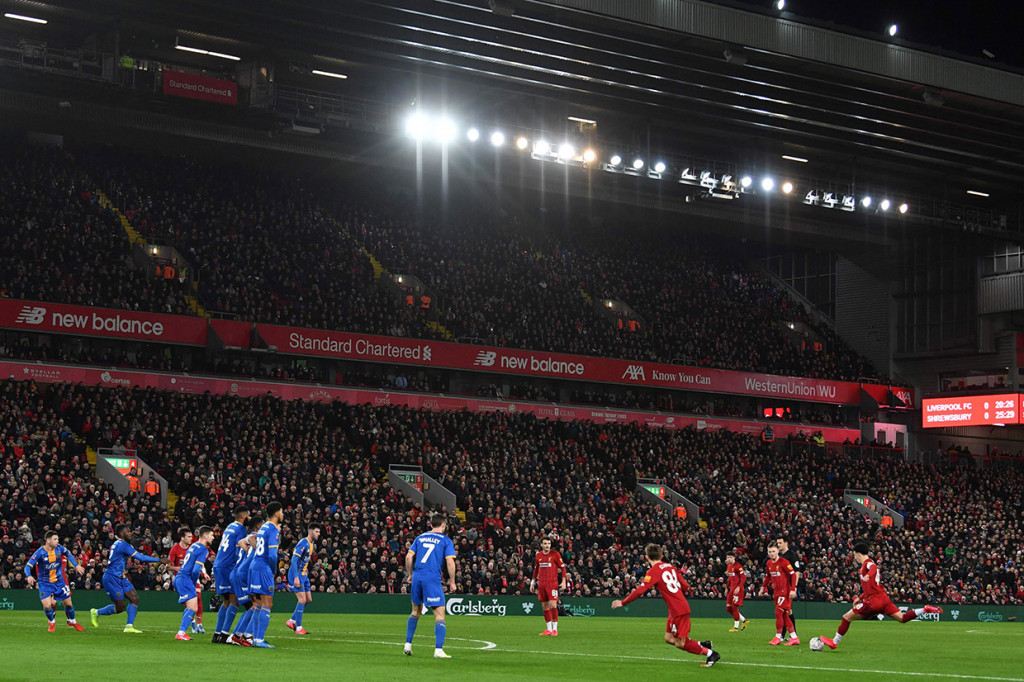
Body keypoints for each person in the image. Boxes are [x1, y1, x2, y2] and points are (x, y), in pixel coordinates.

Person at [612, 543, 720, 668]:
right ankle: (701, 644)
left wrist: (623, 602)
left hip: (678, 610)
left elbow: (641, 590)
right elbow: (685, 586)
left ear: (647, 557)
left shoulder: (653, 571)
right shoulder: (670, 567)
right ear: (661, 555)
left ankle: (711, 654)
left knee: (680, 643)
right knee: (669, 638)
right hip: (676, 609)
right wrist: (679, 597)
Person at [819, 541, 943, 650]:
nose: (854, 557)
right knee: (902, 618)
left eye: (855, 555)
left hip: (873, 602)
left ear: (858, 554)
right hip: (883, 599)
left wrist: (868, 575)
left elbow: (873, 568)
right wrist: (860, 598)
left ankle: (834, 642)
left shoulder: (867, 564)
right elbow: (871, 586)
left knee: (846, 617)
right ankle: (925, 609)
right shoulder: (868, 563)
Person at [91, 524, 163, 633]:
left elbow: (117, 561)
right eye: (128, 532)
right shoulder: (123, 545)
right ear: (121, 534)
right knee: (120, 608)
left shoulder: (120, 544)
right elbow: (141, 557)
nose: (130, 534)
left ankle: (129, 626)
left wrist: (132, 566)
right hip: (111, 578)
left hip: (121, 576)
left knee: (134, 598)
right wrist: (159, 560)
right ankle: (96, 612)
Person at [403, 512, 456, 659]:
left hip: (418, 577)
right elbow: (450, 562)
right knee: (439, 614)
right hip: (431, 578)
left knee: (415, 612)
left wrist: (410, 575)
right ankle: (438, 650)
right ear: (443, 525)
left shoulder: (419, 538)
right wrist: (452, 581)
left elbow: (409, 557)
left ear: (431, 524)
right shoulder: (446, 540)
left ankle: (408, 645)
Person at [25, 530, 86, 632]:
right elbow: (28, 566)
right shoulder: (40, 552)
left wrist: (76, 566)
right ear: (48, 540)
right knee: (48, 606)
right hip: (45, 583)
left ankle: (73, 621)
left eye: (57, 539)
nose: (57, 541)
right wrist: (29, 576)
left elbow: (69, 554)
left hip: (59, 581)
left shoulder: (59, 548)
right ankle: (52, 622)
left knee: (68, 604)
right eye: (55, 539)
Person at [248, 501, 284, 649]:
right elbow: (272, 555)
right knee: (267, 603)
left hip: (254, 565)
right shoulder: (274, 530)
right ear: (276, 513)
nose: (282, 515)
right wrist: (273, 570)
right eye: (281, 512)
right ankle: (259, 639)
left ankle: (256, 638)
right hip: (263, 568)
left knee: (259, 604)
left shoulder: (263, 527)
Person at [212, 507, 250, 644]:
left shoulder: (229, 527)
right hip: (228, 566)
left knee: (226, 601)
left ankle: (217, 634)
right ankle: (224, 635)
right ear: (243, 516)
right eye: (248, 516)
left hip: (219, 564)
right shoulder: (241, 529)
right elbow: (238, 548)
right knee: (234, 601)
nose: (249, 519)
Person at [174, 526, 215, 641]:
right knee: (193, 607)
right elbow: (196, 569)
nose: (213, 538)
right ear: (205, 535)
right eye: (211, 535)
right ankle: (181, 632)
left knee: (191, 607)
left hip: (180, 577)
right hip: (185, 579)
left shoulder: (193, 545)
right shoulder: (203, 549)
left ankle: (182, 632)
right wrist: (192, 582)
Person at [228, 515, 262, 647]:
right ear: (259, 527)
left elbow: (241, 542)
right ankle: (242, 635)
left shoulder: (249, 537)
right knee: (256, 605)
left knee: (254, 605)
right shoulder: (256, 536)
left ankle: (239, 635)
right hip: (245, 573)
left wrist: (249, 551)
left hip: (242, 572)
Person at [759, 541, 799, 646]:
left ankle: (778, 637)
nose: (771, 553)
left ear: (777, 551)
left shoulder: (784, 562)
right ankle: (794, 637)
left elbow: (793, 575)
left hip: (785, 592)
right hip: (776, 592)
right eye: (769, 552)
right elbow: (768, 576)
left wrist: (792, 589)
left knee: (778, 612)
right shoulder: (768, 563)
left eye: (773, 551)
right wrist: (763, 588)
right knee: (785, 615)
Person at [286, 522, 321, 635]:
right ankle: (298, 628)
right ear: (310, 531)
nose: (318, 534)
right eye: (316, 531)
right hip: (296, 574)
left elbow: (304, 560)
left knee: (308, 600)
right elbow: (294, 560)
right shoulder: (303, 543)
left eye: (319, 532)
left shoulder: (311, 544)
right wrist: (296, 577)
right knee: (301, 600)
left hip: (303, 575)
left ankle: (291, 621)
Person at [168, 527, 205, 634]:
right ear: (182, 538)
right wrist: (177, 568)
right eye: (188, 537)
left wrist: (204, 573)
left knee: (198, 599)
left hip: (192, 577)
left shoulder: (193, 547)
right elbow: (168, 566)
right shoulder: (175, 549)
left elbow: (198, 564)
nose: (191, 538)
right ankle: (190, 625)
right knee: (191, 603)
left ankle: (199, 624)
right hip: (182, 578)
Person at [530, 536, 566, 636]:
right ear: (541, 545)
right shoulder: (538, 555)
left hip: (552, 584)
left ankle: (555, 629)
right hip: (541, 584)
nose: (547, 546)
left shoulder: (555, 554)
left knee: (553, 605)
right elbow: (536, 570)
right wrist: (533, 583)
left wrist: (563, 581)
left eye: (549, 544)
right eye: (545, 544)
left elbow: (563, 568)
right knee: (545, 606)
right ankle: (548, 629)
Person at [776, 535, 802, 639]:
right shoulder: (779, 556)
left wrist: (794, 587)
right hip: (781, 587)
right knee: (787, 611)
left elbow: (796, 572)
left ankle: (784, 635)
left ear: (786, 543)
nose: (778, 545)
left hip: (788, 587)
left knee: (784, 610)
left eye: (780, 543)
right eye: (777, 543)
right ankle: (792, 635)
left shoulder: (791, 556)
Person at [724, 551, 748, 632]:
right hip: (732, 589)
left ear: (734, 558)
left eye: (730, 557)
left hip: (738, 589)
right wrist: (727, 588)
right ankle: (744, 620)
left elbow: (743, 577)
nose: (729, 559)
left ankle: (736, 627)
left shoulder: (738, 566)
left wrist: (738, 587)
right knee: (728, 608)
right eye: (728, 557)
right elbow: (730, 578)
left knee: (734, 607)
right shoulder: (729, 566)